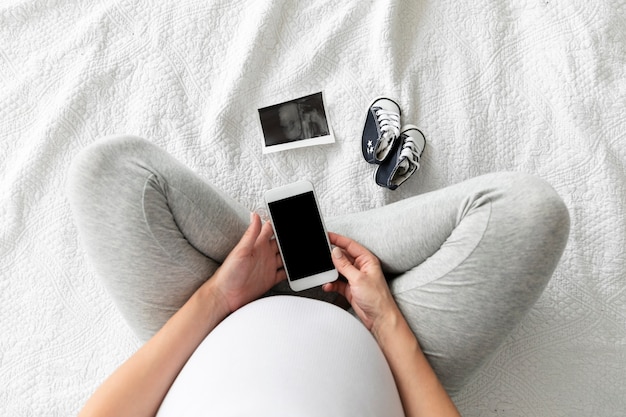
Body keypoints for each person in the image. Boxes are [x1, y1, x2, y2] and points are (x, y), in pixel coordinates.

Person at [67, 135, 570, 417]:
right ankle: (306, 245)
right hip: (384, 342)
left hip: (213, 322)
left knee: (107, 173)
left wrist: (221, 295)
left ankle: (286, 248)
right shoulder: (384, 326)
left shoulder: (222, 299)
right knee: (528, 213)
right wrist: (385, 320)